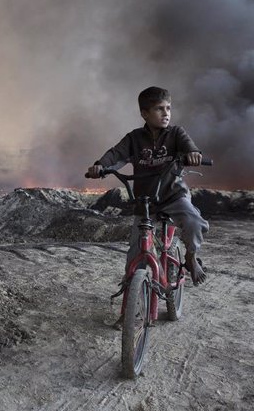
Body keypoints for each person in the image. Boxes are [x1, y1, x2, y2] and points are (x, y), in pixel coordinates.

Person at [86, 86, 209, 329]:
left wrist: (193, 153)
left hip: (173, 196)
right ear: (144, 113)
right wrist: (100, 165)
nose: (166, 113)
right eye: (159, 109)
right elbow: (116, 154)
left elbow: (189, 146)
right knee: (135, 255)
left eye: (168, 108)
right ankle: (129, 312)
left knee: (194, 222)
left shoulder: (175, 133)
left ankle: (191, 257)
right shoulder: (134, 139)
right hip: (145, 202)